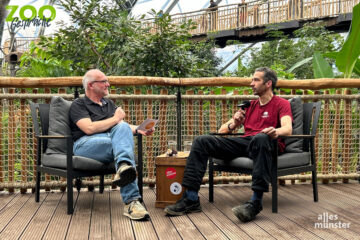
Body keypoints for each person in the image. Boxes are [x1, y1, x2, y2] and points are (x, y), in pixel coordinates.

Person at [164, 67, 293, 222]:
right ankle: (191, 199)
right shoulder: (249, 106)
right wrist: (235, 124)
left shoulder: (282, 103)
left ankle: (255, 202)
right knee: (202, 141)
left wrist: (275, 132)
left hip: (267, 143)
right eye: (252, 80)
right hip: (246, 143)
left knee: (260, 138)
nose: (251, 83)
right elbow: (222, 130)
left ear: (268, 84)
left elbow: (288, 128)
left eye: (256, 80)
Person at [69, 69, 154, 221]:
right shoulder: (79, 104)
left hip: (112, 142)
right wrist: (116, 119)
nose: (108, 84)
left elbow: (122, 126)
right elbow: (88, 128)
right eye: (103, 81)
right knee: (122, 142)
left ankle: (125, 176)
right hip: (86, 145)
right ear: (90, 85)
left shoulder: (109, 104)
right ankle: (131, 200)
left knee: (123, 134)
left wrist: (139, 129)